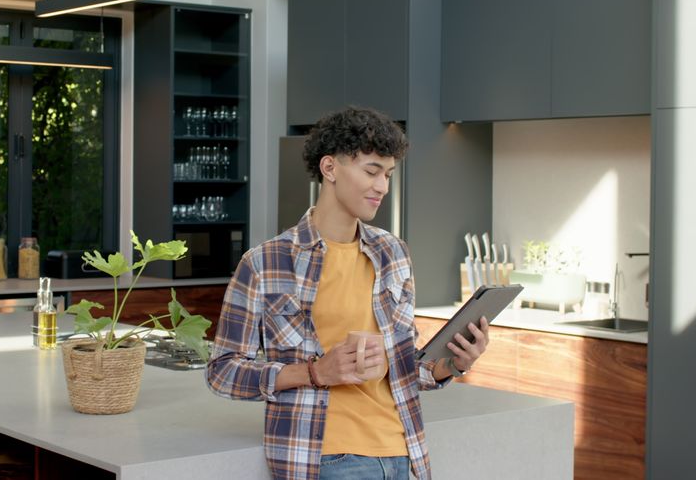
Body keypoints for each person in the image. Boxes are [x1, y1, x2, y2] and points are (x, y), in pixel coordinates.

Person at [205, 106, 491, 480]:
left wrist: (450, 364)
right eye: (371, 171)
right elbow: (222, 373)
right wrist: (314, 372)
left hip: (404, 453)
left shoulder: (394, 254)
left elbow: (406, 369)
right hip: (326, 460)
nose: (382, 187)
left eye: (388, 175)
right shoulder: (265, 263)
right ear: (330, 168)